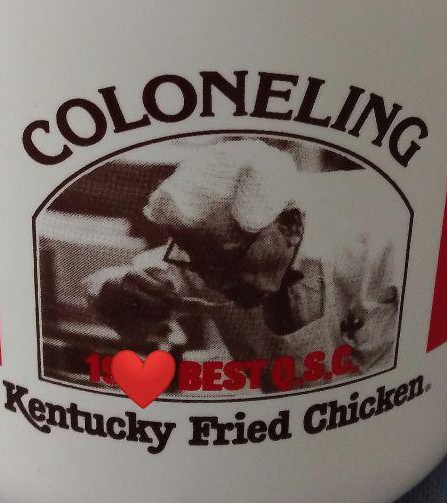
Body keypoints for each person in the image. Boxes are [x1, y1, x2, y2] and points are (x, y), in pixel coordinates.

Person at [82, 138, 404, 388]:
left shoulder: (388, 234)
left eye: (229, 259)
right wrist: (112, 291)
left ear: (290, 226)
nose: (213, 282)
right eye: (197, 262)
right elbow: (111, 285)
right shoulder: (206, 255)